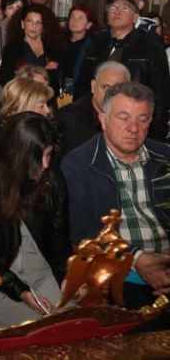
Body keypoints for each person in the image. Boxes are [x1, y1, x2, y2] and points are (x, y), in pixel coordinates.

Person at [61, 82, 170, 329]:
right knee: (144, 328)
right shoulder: (79, 165)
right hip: (121, 271)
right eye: (123, 117)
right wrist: (136, 259)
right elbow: (82, 232)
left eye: (142, 119)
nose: (133, 128)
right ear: (103, 119)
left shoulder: (164, 157)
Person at [0, 112, 71, 330]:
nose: (45, 164)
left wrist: (67, 278)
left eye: (49, 155)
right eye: (39, 157)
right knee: (40, 332)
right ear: (18, 155)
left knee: (76, 325)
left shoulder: (53, 180)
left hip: (43, 273)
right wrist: (19, 290)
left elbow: (59, 238)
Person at [74, 0, 170, 140]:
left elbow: (161, 92)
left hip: (133, 123)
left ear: (135, 17)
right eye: (112, 8)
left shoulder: (150, 44)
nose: (117, 12)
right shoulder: (97, 42)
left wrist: (155, 134)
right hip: (95, 122)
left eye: (124, 8)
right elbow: (82, 84)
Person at [55, 62, 130, 157]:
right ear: (93, 86)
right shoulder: (66, 120)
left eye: (118, 89)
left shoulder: (135, 122)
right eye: (105, 87)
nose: (110, 94)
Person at [0, 77, 53, 164]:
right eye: (41, 106)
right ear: (23, 108)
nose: (48, 110)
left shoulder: (36, 134)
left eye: (47, 104)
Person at [0, 4, 64, 93]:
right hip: (22, 96)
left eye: (39, 22)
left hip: (47, 97)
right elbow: (5, 79)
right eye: (30, 21)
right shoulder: (13, 47)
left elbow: (58, 80)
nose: (34, 25)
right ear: (22, 24)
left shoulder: (53, 48)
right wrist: (44, 71)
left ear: (44, 27)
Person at [59, 3, 98, 98]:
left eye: (80, 18)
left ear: (88, 25)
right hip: (60, 90)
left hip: (82, 94)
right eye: (72, 17)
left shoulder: (93, 46)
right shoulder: (60, 41)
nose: (74, 20)